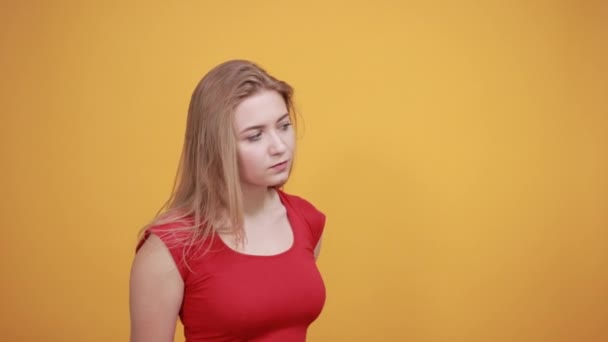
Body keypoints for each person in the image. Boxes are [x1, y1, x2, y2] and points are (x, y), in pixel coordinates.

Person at [129, 59, 327, 342]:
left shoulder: (307, 220)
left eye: (283, 126)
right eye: (255, 136)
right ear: (215, 146)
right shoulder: (170, 247)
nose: (279, 147)